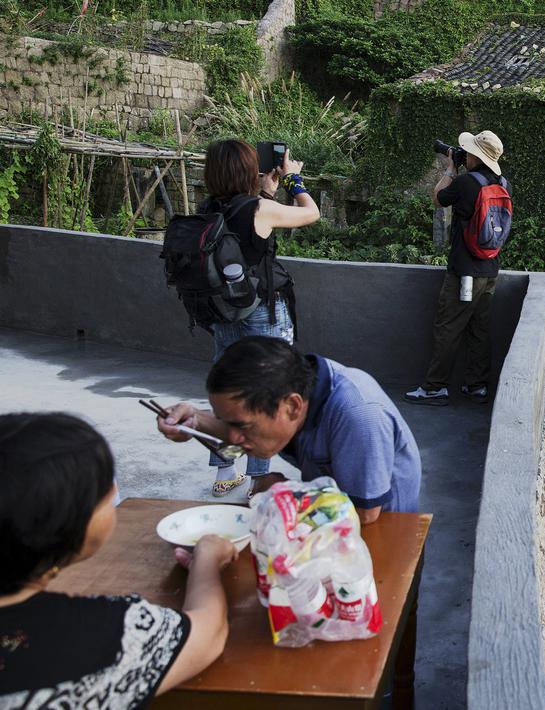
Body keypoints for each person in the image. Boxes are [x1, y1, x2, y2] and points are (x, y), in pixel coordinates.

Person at [0, 413, 237, 707]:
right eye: (104, 488)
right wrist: (207, 560)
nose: (114, 492)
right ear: (74, 523)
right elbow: (207, 635)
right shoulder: (104, 635)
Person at [156, 337, 421, 521]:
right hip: (331, 525)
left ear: (292, 407)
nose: (234, 437)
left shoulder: (358, 416)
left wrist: (287, 493)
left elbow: (365, 514)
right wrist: (195, 421)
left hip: (382, 534)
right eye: (227, 421)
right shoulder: (294, 389)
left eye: (242, 425)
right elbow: (244, 433)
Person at [200, 139, 320, 498]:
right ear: (247, 171)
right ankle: (257, 482)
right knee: (266, 393)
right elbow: (311, 213)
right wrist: (293, 179)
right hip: (262, 312)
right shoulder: (258, 209)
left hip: (224, 312)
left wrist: (267, 191)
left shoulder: (207, 208)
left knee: (229, 388)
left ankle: (224, 473)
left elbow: (243, 235)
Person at [405, 130, 510, 406]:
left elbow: (438, 198)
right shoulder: (504, 184)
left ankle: (435, 388)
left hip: (465, 272)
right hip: (490, 270)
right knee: (479, 329)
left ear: (476, 156)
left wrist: (451, 168)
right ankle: (476, 386)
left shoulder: (465, 183)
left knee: (448, 327)